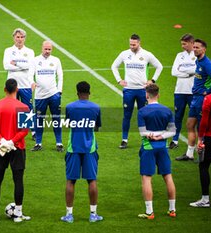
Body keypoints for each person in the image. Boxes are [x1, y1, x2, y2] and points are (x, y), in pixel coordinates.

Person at [0, 79, 31, 222]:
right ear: (17, 89)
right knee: (18, 180)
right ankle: (18, 214)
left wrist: (2, 140)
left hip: (0, 148)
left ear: (4, 89)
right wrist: (12, 141)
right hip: (17, 147)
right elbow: (26, 129)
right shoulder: (24, 107)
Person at [61, 81, 103, 223]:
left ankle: (69, 215)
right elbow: (97, 128)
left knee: (71, 180)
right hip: (90, 148)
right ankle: (93, 214)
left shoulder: (70, 107)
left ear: (77, 92)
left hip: (73, 148)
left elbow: (68, 124)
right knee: (91, 180)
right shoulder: (96, 108)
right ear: (89, 93)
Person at [111, 34, 163, 149]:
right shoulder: (124, 54)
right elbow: (114, 66)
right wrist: (119, 80)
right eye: (130, 44)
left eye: (134, 44)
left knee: (144, 115)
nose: (131, 46)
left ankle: (145, 139)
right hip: (128, 90)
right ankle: (124, 140)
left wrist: (153, 80)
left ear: (139, 43)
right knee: (127, 116)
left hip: (142, 90)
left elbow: (159, 66)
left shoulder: (147, 55)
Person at [137, 84, 176, 219]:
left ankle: (149, 212)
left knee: (147, 178)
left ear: (147, 95)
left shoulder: (142, 111)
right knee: (168, 176)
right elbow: (172, 131)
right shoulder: (167, 111)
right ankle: (172, 210)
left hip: (148, 148)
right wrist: (161, 136)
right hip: (163, 147)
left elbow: (142, 132)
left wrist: (151, 135)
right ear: (158, 95)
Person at [176, 39, 211, 161]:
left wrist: (207, 92)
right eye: (194, 47)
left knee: (201, 128)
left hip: (201, 99)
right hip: (195, 98)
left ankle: (204, 154)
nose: (194, 49)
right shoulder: (198, 61)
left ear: (204, 49)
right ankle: (189, 154)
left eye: (197, 48)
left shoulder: (207, 63)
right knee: (190, 124)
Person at [190, 71, 211, 208]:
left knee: (203, 166)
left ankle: (205, 199)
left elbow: (203, 122)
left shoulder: (209, 99)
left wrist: (200, 139)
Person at [31, 41, 64, 152]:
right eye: (45, 49)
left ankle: (59, 143)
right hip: (40, 96)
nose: (47, 51)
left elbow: (60, 76)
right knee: (39, 120)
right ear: (42, 48)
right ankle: (38, 143)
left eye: (49, 49)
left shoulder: (56, 60)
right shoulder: (35, 60)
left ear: (52, 50)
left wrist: (59, 91)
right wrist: (32, 82)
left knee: (56, 119)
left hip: (54, 95)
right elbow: (30, 74)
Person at [3, 28, 36, 139]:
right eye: (18, 37)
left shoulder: (30, 51)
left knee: (28, 108)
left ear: (25, 38)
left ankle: (31, 131)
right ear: (14, 38)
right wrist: (23, 67)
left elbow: (30, 66)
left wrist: (15, 64)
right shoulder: (8, 51)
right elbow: (6, 66)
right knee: (13, 108)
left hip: (26, 84)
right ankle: (14, 130)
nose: (20, 39)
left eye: (22, 37)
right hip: (13, 85)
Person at [169, 34, 197, 149]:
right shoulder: (179, 55)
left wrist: (183, 70)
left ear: (191, 43)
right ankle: (174, 140)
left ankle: (200, 142)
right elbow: (174, 72)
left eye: (184, 44)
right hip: (179, 91)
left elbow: (196, 70)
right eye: (182, 44)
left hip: (193, 92)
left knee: (196, 117)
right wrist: (189, 73)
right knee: (178, 116)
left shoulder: (197, 56)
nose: (182, 46)